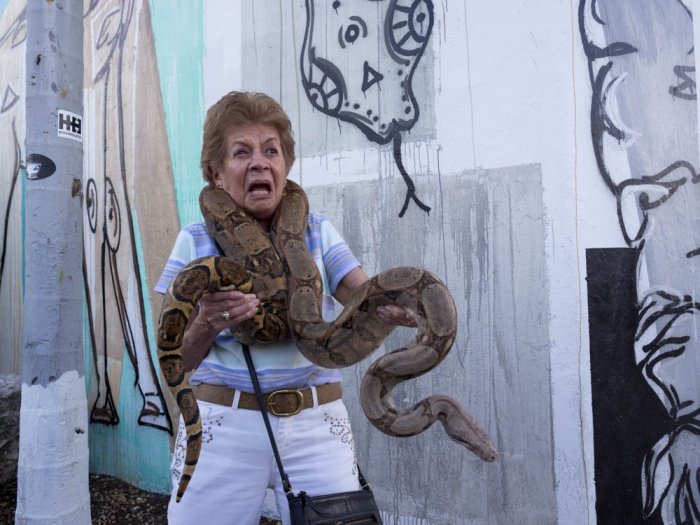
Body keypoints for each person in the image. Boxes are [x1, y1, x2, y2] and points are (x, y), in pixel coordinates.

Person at [155, 91, 415, 525]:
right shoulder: (196, 240)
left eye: (270, 151)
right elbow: (174, 358)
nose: (259, 162)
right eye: (242, 152)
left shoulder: (317, 231)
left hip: (317, 422)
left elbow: (359, 292)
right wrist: (206, 321)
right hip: (225, 422)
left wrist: (390, 306)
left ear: (285, 167)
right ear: (216, 174)